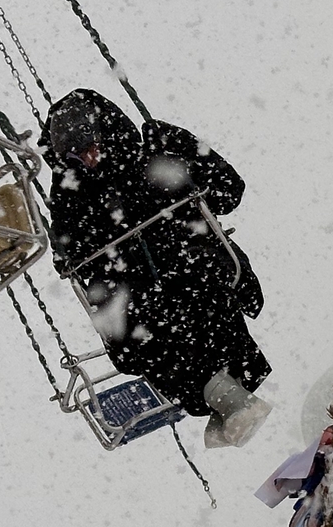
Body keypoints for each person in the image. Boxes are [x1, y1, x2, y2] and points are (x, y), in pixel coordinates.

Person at [42, 90, 272, 448]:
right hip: (138, 289)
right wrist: (75, 253)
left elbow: (229, 189)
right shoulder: (71, 191)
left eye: (91, 145)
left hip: (192, 261)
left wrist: (189, 185)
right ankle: (221, 398)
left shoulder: (157, 143)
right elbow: (69, 249)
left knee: (183, 304)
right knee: (138, 335)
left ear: (106, 129)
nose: (88, 160)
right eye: (76, 155)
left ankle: (225, 395)